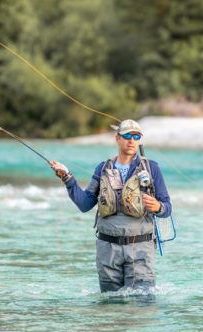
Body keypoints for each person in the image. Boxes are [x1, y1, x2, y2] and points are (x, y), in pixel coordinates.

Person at [49, 119, 172, 293]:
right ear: (117, 139)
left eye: (136, 137)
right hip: (108, 250)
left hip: (141, 250)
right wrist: (68, 179)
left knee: (143, 307)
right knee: (110, 307)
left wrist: (159, 207)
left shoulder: (152, 168)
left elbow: (167, 208)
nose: (131, 140)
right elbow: (85, 204)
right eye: (127, 136)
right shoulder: (102, 168)